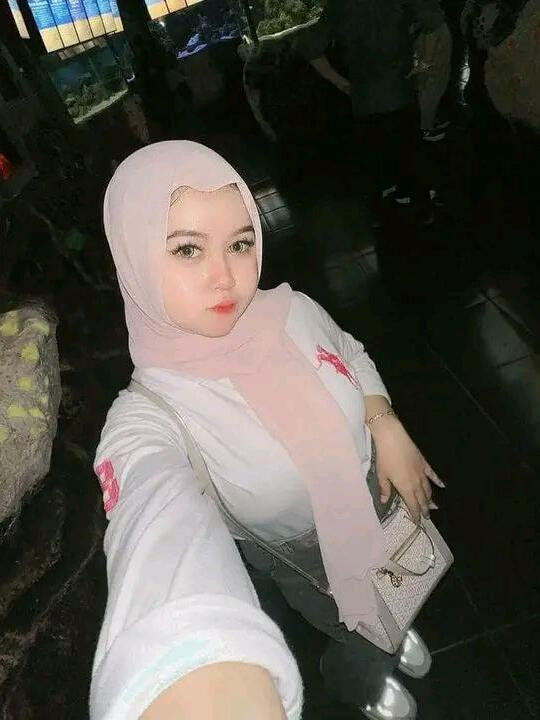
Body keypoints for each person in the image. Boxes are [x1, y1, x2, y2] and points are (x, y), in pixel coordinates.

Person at [90, 141, 444, 720]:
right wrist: (178, 665)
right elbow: (149, 513)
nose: (225, 277)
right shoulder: (151, 411)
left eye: (239, 243)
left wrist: (385, 424)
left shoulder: (291, 310)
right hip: (305, 556)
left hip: (377, 495)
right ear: (132, 257)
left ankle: (392, 627)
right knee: (348, 628)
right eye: (187, 249)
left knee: (399, 590)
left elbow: (350, 353)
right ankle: (359, 678)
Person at [295, 0, 447, 223]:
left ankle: (381, 219)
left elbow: (309, 47)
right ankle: (422, 210)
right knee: (411, 154)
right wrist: (424, 64)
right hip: (399, 92)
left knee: (373, 161)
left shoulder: (339, 6)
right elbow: (434, 21)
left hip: (364, 99)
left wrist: (341, 83)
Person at [413, 17, 453, 141]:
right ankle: (426, 130)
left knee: (432, 99)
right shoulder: (432, 24)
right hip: (433, 72)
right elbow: (428, 59)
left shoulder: (434, 22)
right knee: (428, 100)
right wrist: (422, 74)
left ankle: (430, 122)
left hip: (438, 69)